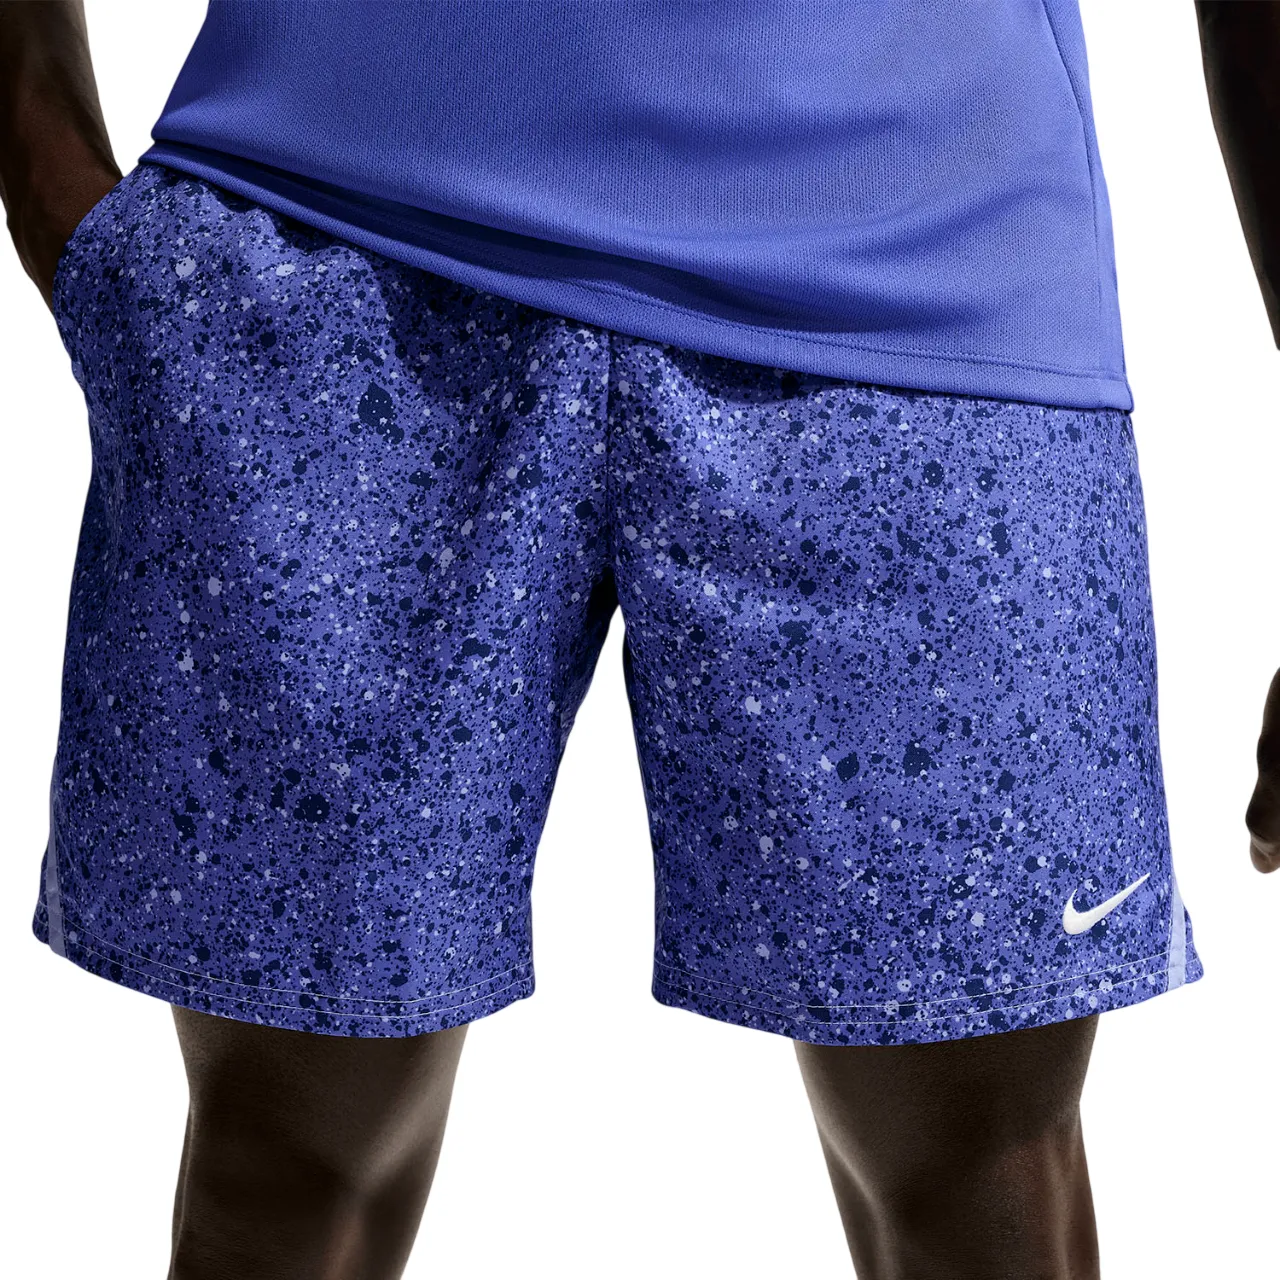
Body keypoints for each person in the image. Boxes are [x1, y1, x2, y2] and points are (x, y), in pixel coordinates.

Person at [3, 2, 1264, 1276]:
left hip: (930, 308)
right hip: (329, 249)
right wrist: (50, 161)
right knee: (285, 1157)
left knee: (975, 1181)